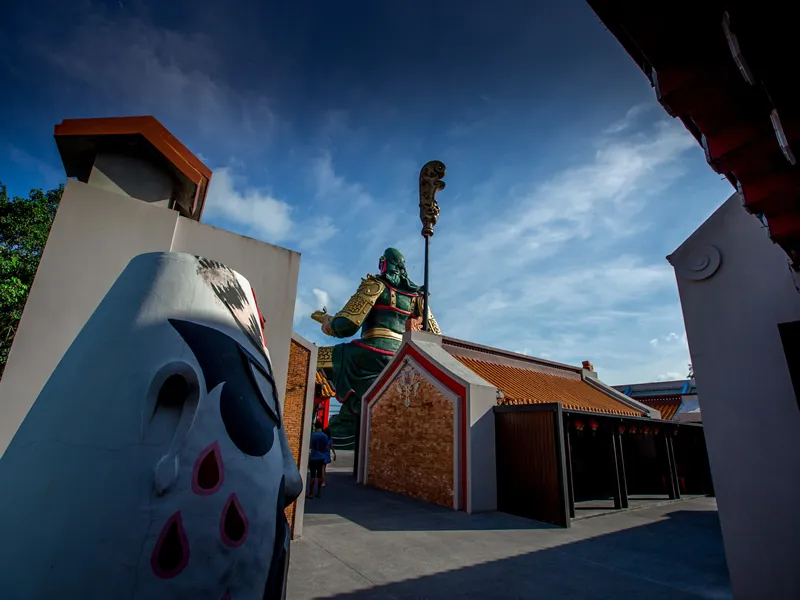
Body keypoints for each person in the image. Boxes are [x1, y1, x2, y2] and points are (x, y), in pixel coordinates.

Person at [307, 422, 328, 499]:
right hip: (321, 457)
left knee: (312, 475)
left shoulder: (312, 435)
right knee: (319, 475)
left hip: (313, 457)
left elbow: (309, 446)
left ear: (315, 427)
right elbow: (326, 447)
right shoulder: (325, 436)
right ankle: (319, 492)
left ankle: (310, 493)